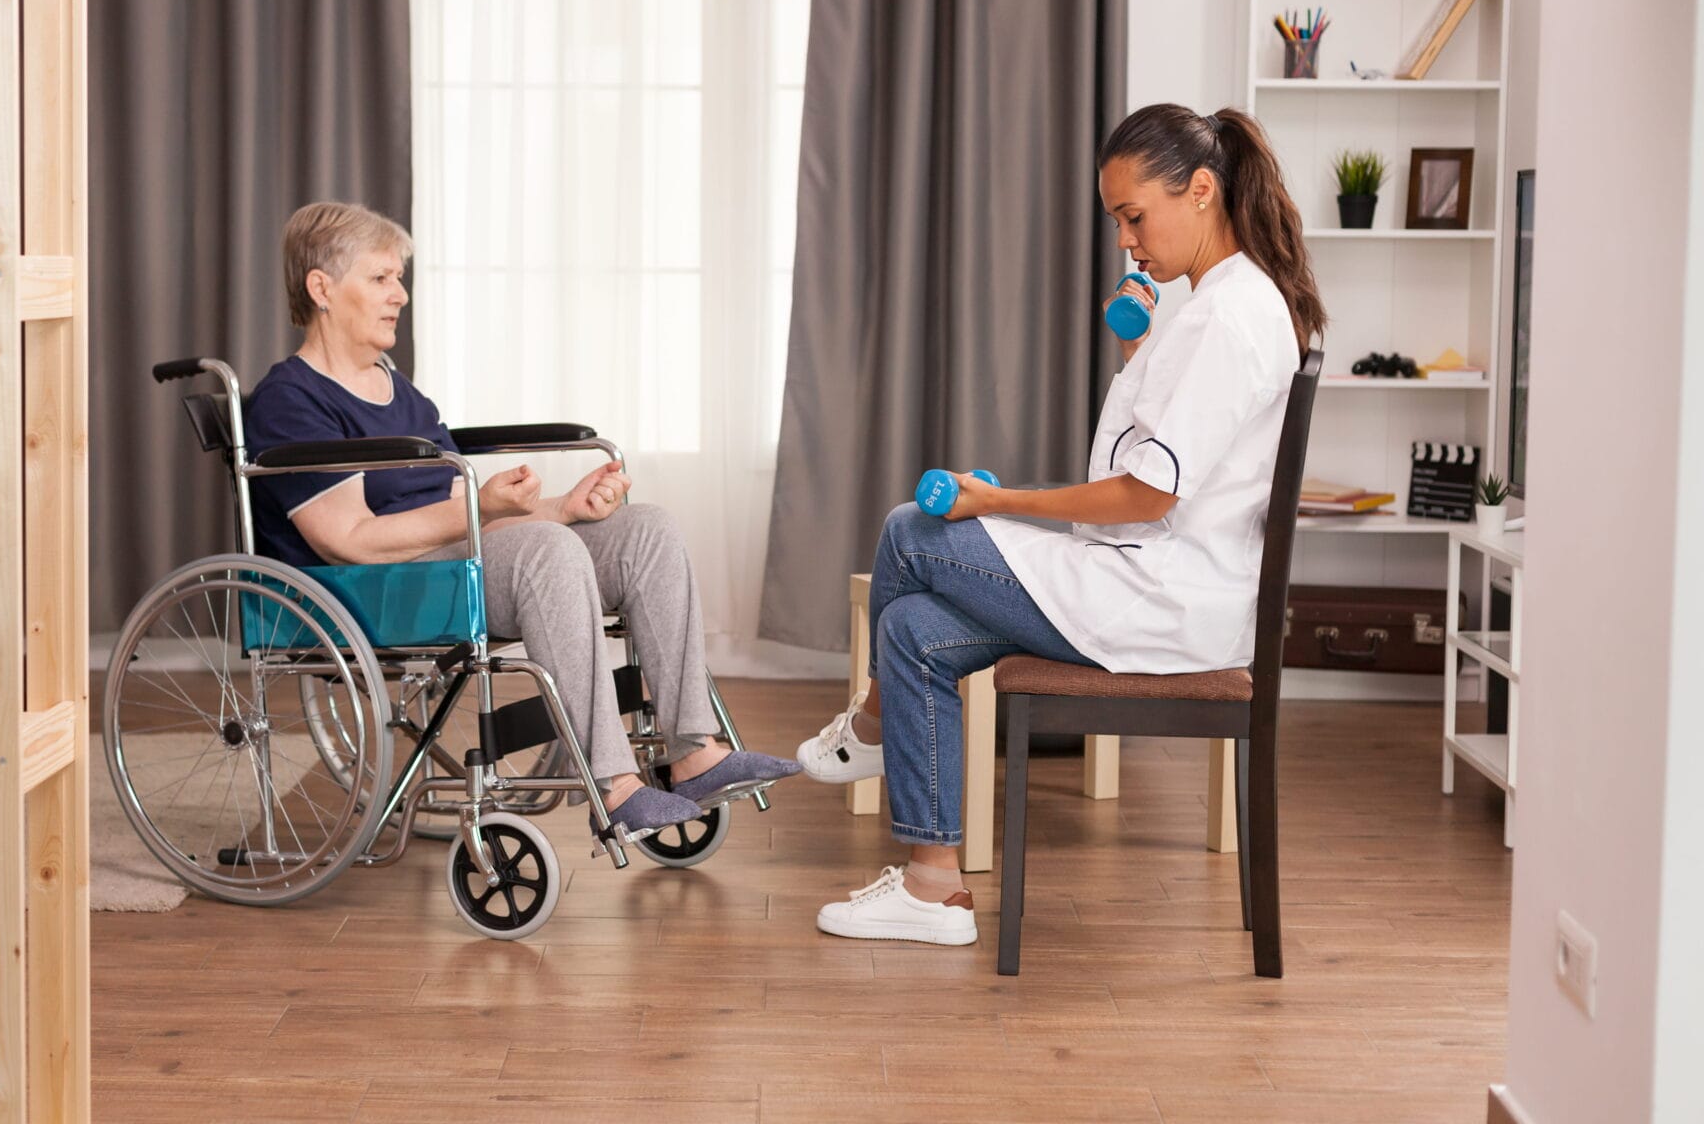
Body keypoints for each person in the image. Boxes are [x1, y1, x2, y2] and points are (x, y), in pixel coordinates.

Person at [797, 104, 1327, 945]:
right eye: (1117, 221)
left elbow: (1147, 495)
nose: (1126, 240)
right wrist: (1141, 349)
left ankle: (868, 725)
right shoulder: (1216, 303)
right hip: (1151, 579)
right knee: (913, 629)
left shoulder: (1229, 315)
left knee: (911, 530)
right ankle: (934, 891)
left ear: (1199, 192)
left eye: (1133, 216)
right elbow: (1173, 447)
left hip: (1162, 600)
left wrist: (997, 503)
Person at [245, 201, 798, 837]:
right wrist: (483, 509)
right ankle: (614, 786)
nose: (400, 294)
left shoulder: (399, 391)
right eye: (380, 278)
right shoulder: (290, 401)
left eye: (400, 278)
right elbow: (351, 540)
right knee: (547, 552)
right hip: (374, 588)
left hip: (454, 565)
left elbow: (464, 522)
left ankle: (696, 753)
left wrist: (564, 507)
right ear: (321, 287)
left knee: (647, 530)